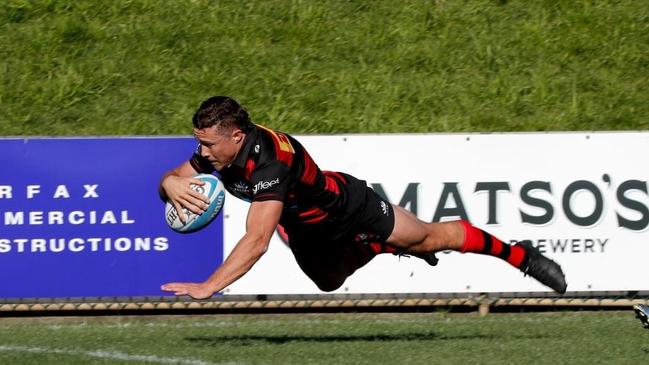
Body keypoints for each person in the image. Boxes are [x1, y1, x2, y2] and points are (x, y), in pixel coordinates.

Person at [159, 96, 567, 299]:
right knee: (329, 283)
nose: (203, 152)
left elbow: (257, 240)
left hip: (347, 205)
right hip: (306, 229)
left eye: (209, 144)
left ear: (236, 135)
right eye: (200, 144)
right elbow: (175, 177)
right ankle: (377, 247)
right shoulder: (217, 151)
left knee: (429, 237)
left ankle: (522, 256)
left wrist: (208, 285)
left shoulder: (270, 163)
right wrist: (170, 184)